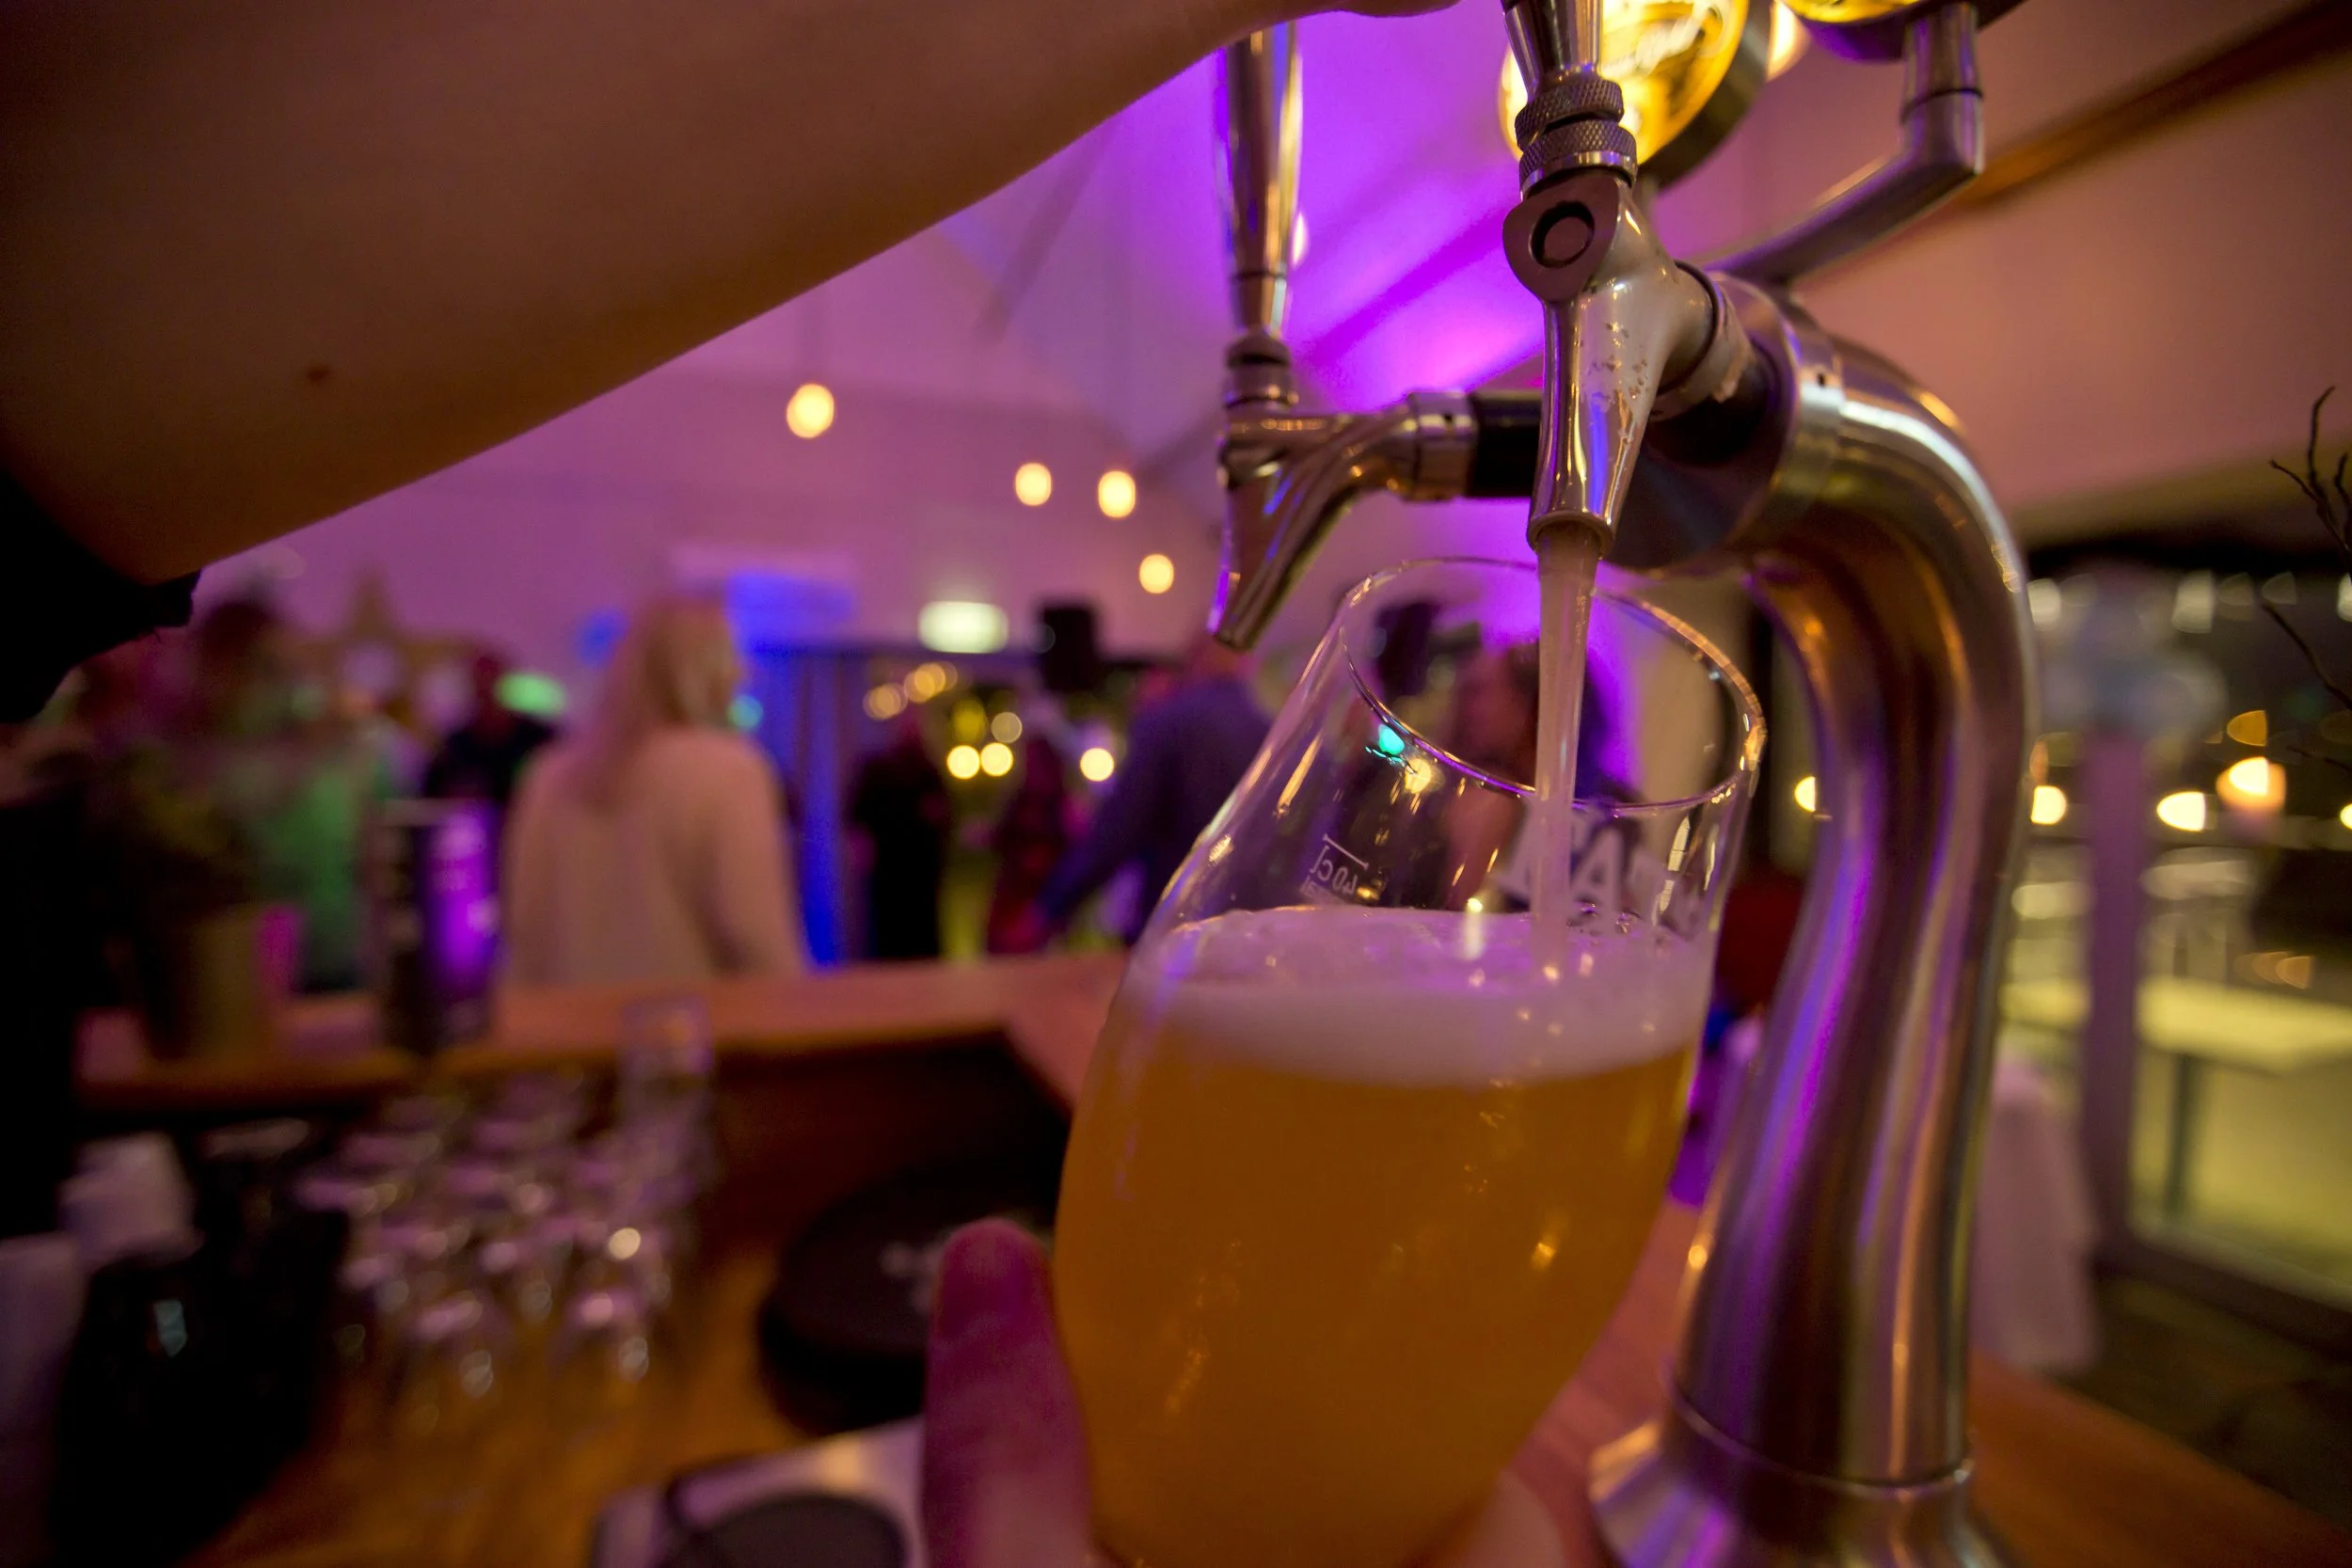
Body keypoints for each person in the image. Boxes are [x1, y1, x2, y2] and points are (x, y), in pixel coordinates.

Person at [502, 595, 805, 984]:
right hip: (696, 1019)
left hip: (570, 1019)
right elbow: (756, 934)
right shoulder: (729, 771)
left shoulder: (549, 776)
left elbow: (524, 930)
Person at [1035, 637, 1269, 943]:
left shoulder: (1169, 721)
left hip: (1173, 924)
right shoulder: (1267, 730)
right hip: (1245, 927)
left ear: (1195, 659)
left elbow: (1118, 828)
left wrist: (1051, 907)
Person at [848, 715, 952, 960]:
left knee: (922, 929)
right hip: (888, 869)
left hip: (921, 871)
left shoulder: (927, 770)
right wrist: (861, 851)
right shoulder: (878, 769)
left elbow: (943, 813)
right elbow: (857, 816)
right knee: (888, 930)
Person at [421, 648, 559, 811]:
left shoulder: (538, 739)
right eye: (479, 680)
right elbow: (431, 801)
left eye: (490, 678)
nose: (485, 686)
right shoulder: (454, 747)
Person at [985, 734, 1073, 956]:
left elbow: (1071, 849)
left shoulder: (1060, 806)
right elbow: (1004, 836)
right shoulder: (1020, 800)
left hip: (1043, 893)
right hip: (1013, 892)